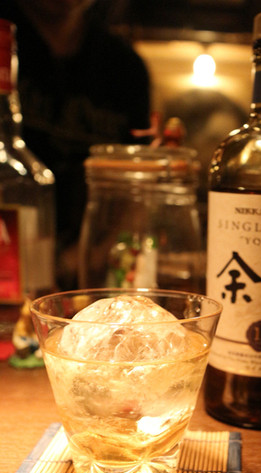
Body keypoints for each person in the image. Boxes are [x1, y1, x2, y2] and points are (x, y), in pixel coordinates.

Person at [0, 0, 151, 288]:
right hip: (10, 268)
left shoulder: (124, 67)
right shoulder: (5, 36)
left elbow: (140, 184)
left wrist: (85, 258)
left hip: (91, 276)